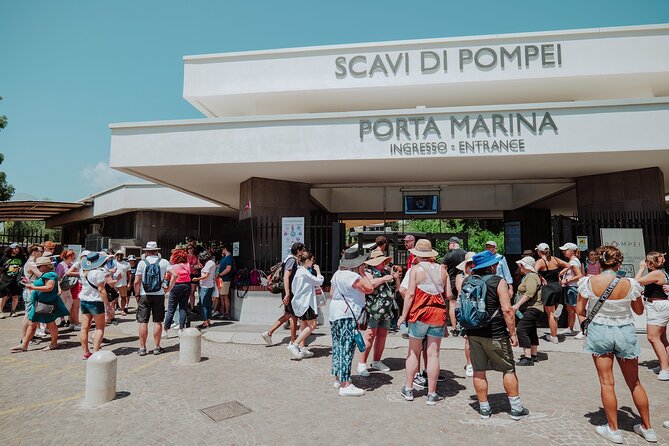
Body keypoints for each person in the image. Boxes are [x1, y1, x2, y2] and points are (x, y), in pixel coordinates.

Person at [577, 245, 656, 444]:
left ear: (599, 262)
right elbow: (639, 311)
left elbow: (579, 309)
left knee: (607, 382)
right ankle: (648, 428)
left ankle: (613, 430)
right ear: (619, 262)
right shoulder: (630, 283)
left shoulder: (588, 282)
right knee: (634, 382)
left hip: (600, 331)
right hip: (625, 331)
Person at [465, 250, 529, 420]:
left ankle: (484, 408)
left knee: (479, 370)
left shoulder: (468, 280)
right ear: (491, 266)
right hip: (496, 332)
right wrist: (513, 333)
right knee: (508, 369)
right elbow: (507, 310)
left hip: (473, 332)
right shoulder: (498, 282)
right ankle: (516, 408)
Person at [398, 239, 450, 406]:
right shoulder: (443, 270)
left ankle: (409, 389)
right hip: (437, 315)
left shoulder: (415, 270)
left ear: (417, 254)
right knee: (433, 354)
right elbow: (448, 295)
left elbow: (410, 295)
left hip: (419, 314)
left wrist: (403, 316)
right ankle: (432, 394)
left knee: (414, 352)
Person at [329, 247, 373, 396]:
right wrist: (362, 273)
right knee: (346, 348)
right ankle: (345, 384)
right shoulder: (351, 276)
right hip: (347, 314)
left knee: (337, 346)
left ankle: (339, 377)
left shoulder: (337, 274)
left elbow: (331, 293)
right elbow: (369, 288)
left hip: (335, 313)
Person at [11, 256, 69, 352]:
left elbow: (49, 287)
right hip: (40, 304)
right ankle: (24, 345)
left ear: (46, 266)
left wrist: (33, 287)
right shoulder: (47, 274)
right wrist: (31, 284)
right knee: (32, 324)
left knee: (50, 325)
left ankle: (53, 344)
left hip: (45, 304)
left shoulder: (50, 274)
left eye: (39, 266)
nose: (38, 268)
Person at [356, 250, 400, 375]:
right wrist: (384, 279)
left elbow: (396, 289)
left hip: (386, 310)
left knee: (382, 335)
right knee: (370, 335)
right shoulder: (368, 273)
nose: (383, 263)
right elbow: (369, 285)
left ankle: (376, 361)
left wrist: (395, 278)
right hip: (372, 310)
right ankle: (362, 363)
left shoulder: (386, 272)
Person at [261, 242, 304, 347]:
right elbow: (286, 276)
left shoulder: (290, 259)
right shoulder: (292, 260)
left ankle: (269, 333)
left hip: (288, 291)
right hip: (288, 291)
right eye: (302, 250)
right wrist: (288, 293)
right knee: (293, 316)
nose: (303, 252)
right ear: (298, 251)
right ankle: (293, 342)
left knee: (289, 314)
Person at [134, 241, 172, 356]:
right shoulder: (164, 262)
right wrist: (169, 288)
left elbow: (137, 281)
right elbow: (175, 274)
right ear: (157, 251)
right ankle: (156, 347)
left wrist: (137, 295)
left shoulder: (142, 263)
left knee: (143, 321)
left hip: (144, 295)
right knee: (158, 321)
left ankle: (142, 348)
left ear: (146, 252)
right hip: (159, 295)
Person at [635, 251, 669, 381]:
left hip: (657, 306)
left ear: (650, 263)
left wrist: (641, 268)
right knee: (662, 338)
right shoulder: (662, 272)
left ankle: (665, 369)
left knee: (653, 337)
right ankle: (665, 365)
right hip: (660, 305)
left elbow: (637, 281)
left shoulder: (656, 273)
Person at [78, 251, 116, 359]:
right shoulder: (98, 272)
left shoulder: (83, 271)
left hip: (84, 300)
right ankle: (95, 352)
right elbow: (101, 290)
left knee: (84, 328)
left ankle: (85, 352)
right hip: (96, 301)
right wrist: (107, 305)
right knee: (99, 328)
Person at [288, 251, 324, 359]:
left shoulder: (298, 272)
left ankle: (302, 349)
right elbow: (319, 281)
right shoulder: (304, 272)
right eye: (312, 260)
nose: (312, 263)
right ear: (308, 260)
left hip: (299, 302)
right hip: (306, 302)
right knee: (313, 325)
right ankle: (295, 344)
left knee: (303, 325)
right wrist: (318, 271)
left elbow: (294, 288)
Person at [535, 242, 570, 344]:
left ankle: (554, 336)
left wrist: (541, 278)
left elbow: (533, 271)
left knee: (550, 314)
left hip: (548, 288)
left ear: (539, 251)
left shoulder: (540, 262)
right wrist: (560, 273)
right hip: (558, 287)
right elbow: (568, 265)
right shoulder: (555, 259)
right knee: (554, 313)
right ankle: (559, 306)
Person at [512, 256, 544, 366]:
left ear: (525, 266)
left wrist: (517, 305)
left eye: (521, 265)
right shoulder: (530, 276)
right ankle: (533, 355)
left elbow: (530, 293)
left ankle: (527, 357)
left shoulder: (531, 277)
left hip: (532, 307)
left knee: (521, 329)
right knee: (531, 330)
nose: (519, 267)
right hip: (534, 308)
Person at [455, 251, 476, 377]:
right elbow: (460, 289)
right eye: (469, 264)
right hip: (464, 308)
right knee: (468, 336)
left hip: (477, 307)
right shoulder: (460, 276)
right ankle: (469, 363)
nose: (472, 266)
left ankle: (477, 361)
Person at [162, 249, 191, 337]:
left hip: (176, 287)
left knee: (171, 309)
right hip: (186, 286)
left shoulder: (173, 267)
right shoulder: (187, 265)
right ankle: (181, 329)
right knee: (183, 308)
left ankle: (166, 330)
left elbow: (168, 277)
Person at [559, 243, 585, 338]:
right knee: (570, 309)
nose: (563, 252)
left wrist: (566, 280)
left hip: (573, 287)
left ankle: (583, 331)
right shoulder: (572, 261)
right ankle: (570, 328)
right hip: (569, 287)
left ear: (571, 251)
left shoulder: (574, 262)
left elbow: (579, 275)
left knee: (577, 309)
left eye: (565, 250)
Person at [443, 236, 466, 336]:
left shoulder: (448, 255)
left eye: (449, 244)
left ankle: (454, 328)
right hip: (464, 280)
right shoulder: (466, 254)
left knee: (452, 304)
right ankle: (464, 326)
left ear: (452, 244)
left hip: (452, 282)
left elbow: (442, 269)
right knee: (464, 303)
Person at [0, 243, 24, 318]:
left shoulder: (21, 257)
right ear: (11, 249)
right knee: (4, 296)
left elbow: (24, 267)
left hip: (16, 279)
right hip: (6, 279)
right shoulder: (5, 257)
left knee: (15, 296)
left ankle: (13, 311)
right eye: (15, 248)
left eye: (18, 248)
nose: (17, 250)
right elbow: (0, 267)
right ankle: (0, 311)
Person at [193, 251, 216, 330]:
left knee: (203, 305)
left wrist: (197, 279)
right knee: (208, 304)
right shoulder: (212, 262)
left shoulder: (208, 264)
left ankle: (205, 322)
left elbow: (206, 275)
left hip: (205, 286)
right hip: (210, 286)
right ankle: (208, 321)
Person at [55, 250, 76, 328]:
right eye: (72, 256)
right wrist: (59, 288)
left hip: (70, 287)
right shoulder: (61, 265)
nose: (74, 257)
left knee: (70, 303)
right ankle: (62, 319)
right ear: (69, 257)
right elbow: (58, 277)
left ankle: (69, 319)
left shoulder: (72, 264)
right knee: (62, 304)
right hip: (63, 287)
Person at [218, 243, 234, 320]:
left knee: (225, 296)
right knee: (222, 296)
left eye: (222, 249)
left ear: (225, 249)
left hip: (225, 279)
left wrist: (219, 275)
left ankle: (227, 313)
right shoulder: (225, 257)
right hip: (222, 279)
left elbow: (228, 268)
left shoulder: (229, 258)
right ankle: (223, 312)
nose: (222, 250)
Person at [113, 251, 131, 316]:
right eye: (118, 255)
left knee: (123, 297)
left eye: (121, 255)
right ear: (116, 256)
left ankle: (122, 310)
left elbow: (129, 275)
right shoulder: (113, 263)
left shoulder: (127, 264)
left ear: (123, 256)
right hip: (113, 283)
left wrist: (129, 283)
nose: (119, 256)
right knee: (113, 298)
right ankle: (113, 311)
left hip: (123, 283)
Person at [186, 245, 201, 313]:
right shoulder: (186, 256)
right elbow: (185, 266)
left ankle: (192, 307)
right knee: (186, 291)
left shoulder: (196, 256)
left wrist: (192, 266)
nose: (191, 249)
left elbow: (200, 265)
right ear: (187, 249)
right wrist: (193, 266)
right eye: (189, 248)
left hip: (194, 275)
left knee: (192, 292)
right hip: (187, 275)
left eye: (192, 248)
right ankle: (186, 307)